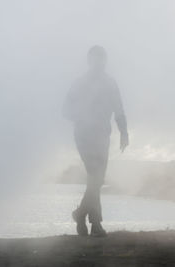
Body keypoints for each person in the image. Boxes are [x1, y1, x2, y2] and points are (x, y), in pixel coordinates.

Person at [63, 46, 129, 237]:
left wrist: (124, 133)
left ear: (105, 61)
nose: (98, 63)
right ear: (89, 61)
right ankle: (96, 223)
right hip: (83, 136)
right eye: (94, 59)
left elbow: (119, 109)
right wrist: (82, 116)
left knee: (96, 180)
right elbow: (65, 110)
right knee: (96, 178)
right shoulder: (79, 84)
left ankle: (81, 214)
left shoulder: (110, 83)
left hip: (102, 137)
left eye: (101, 59)